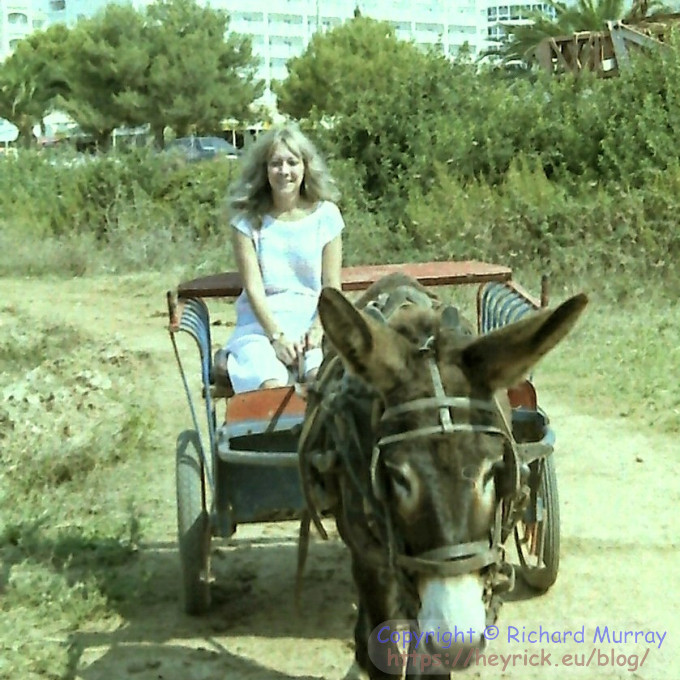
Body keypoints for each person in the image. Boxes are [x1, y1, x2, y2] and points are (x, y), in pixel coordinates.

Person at [217, 121, 345, 394]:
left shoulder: (327, 216)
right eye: (276, 163)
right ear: (264, 170)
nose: (284, 171)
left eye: (292, 162)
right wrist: (276, 337)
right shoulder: (248, 221)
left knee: (321, 383)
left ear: (305, 167)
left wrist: (319, 328)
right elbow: (254, 289)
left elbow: (332, 284)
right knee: (271, 385)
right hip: (260, 328)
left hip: (313, 323)